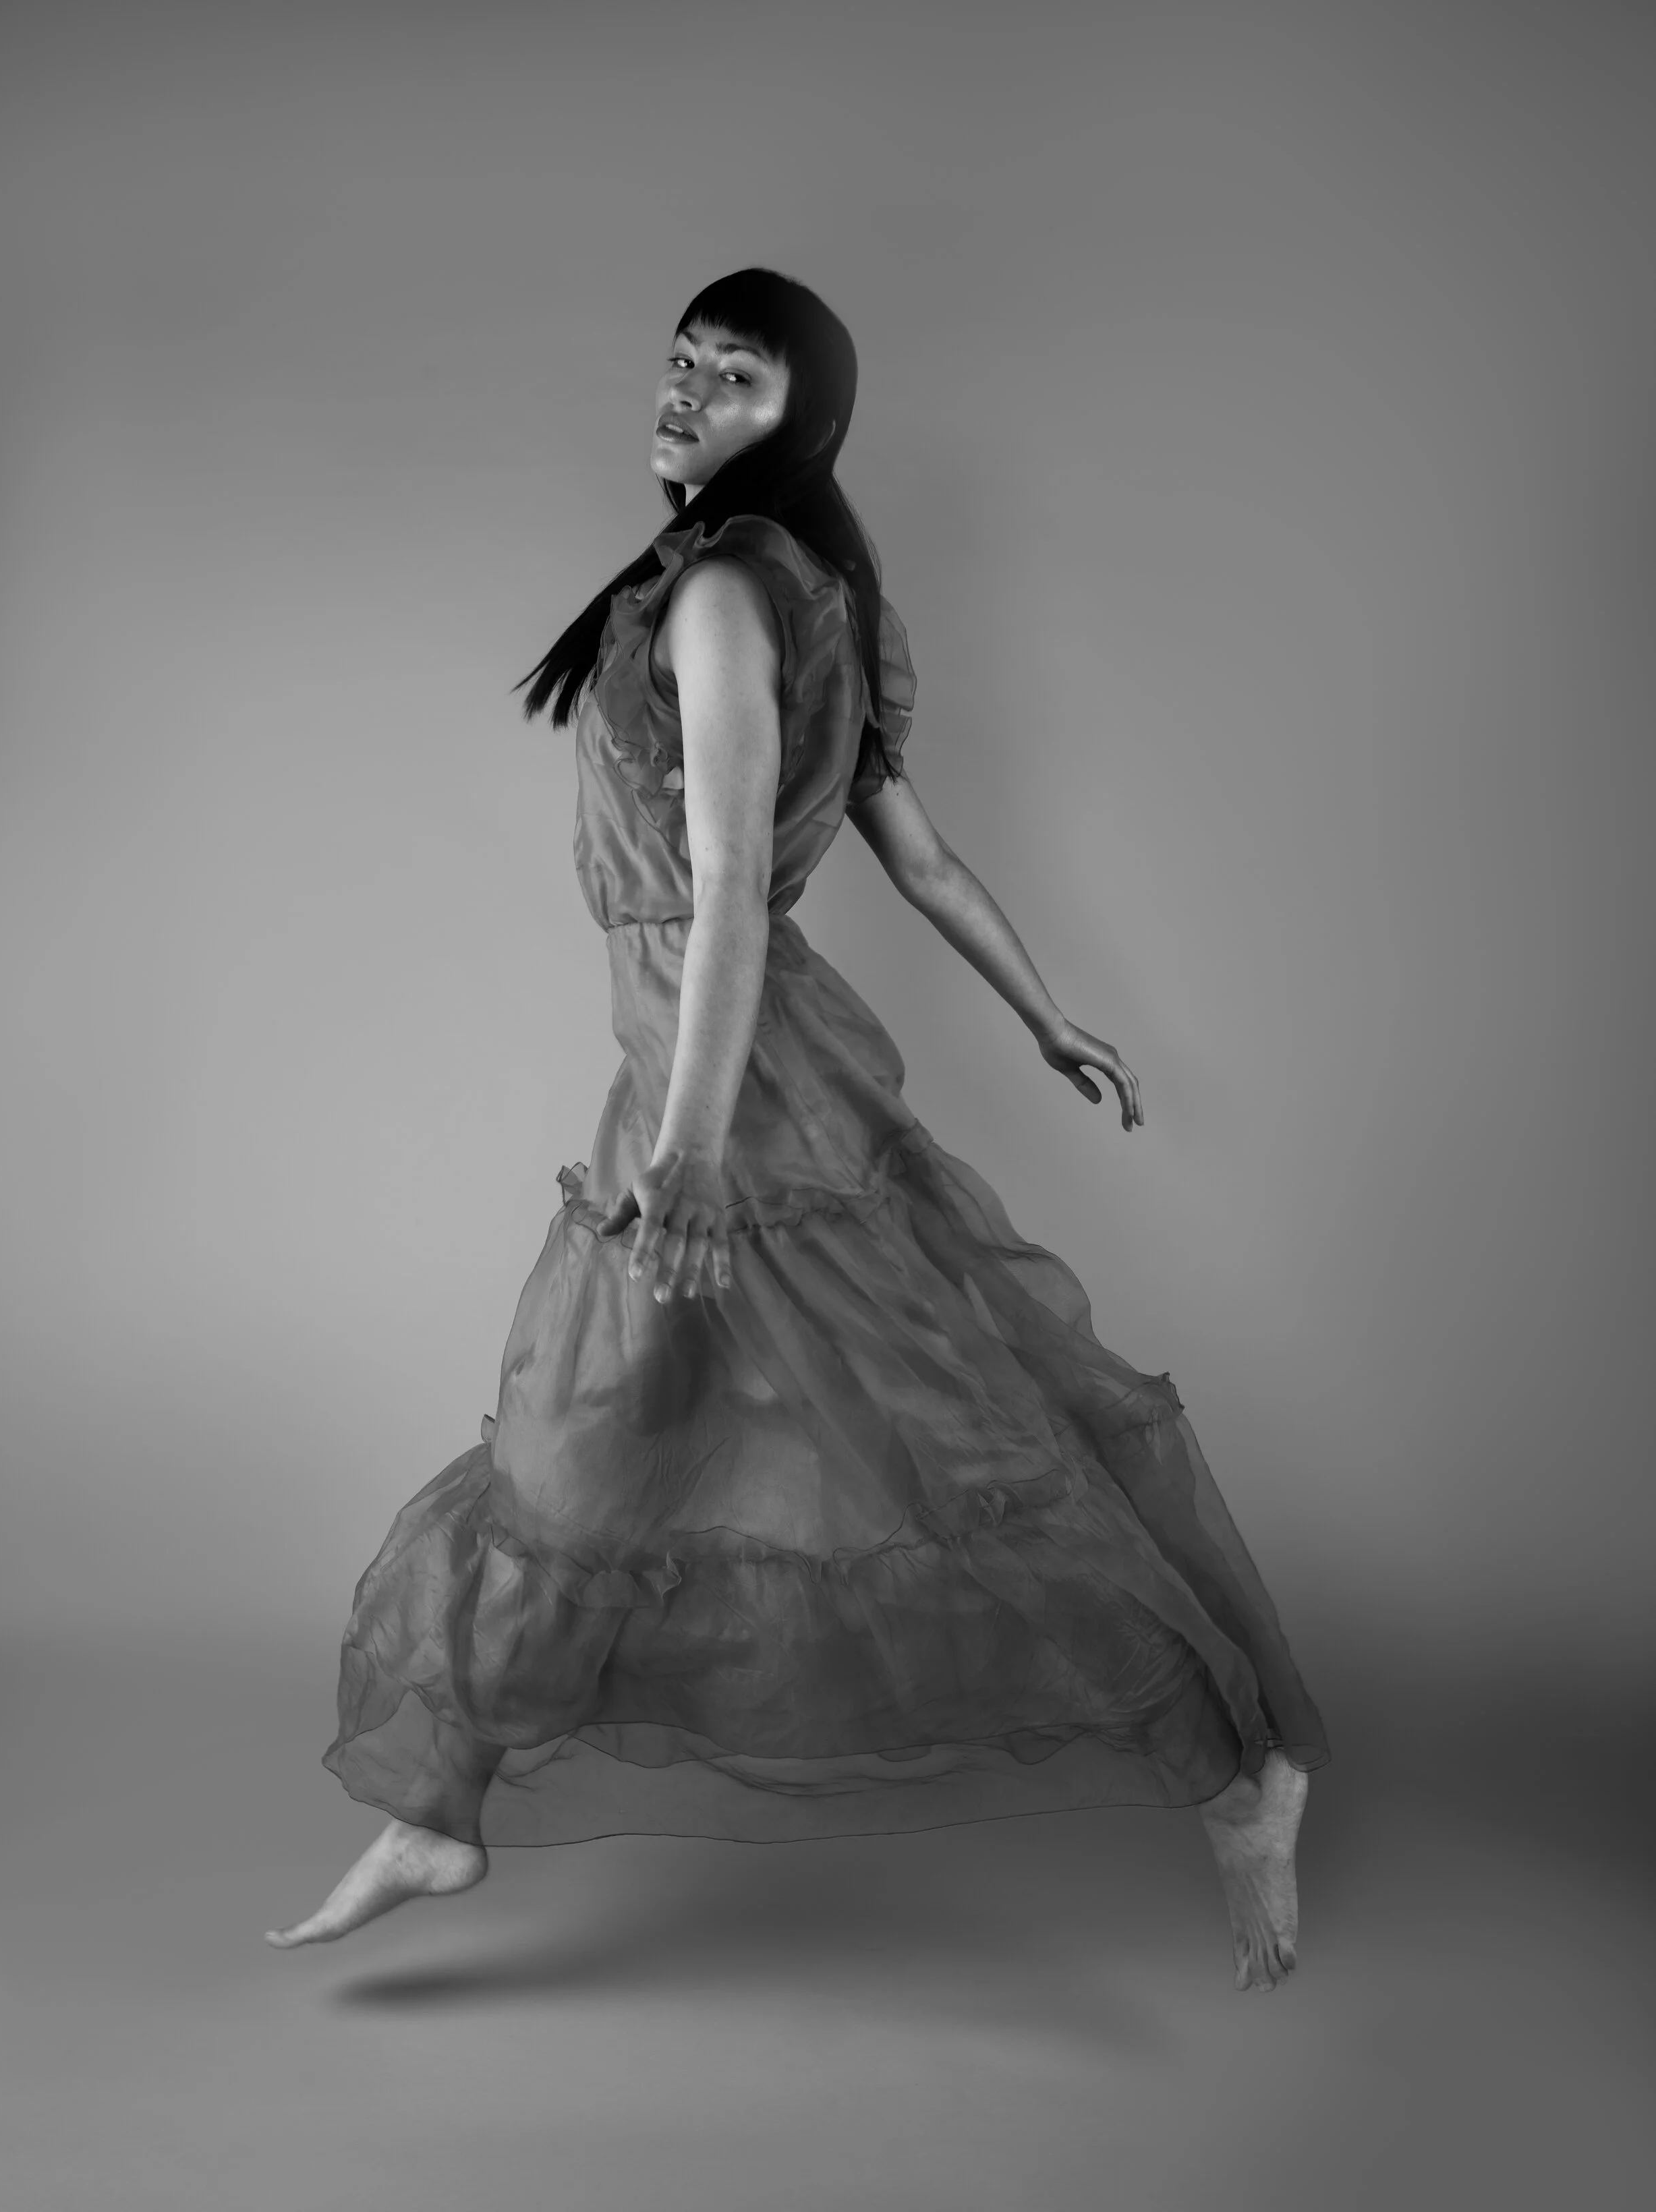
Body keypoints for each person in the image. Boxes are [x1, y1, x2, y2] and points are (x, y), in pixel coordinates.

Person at [266, 268, 1329, 1991]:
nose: (686, 390)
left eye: (735, 374)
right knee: (582, 1437)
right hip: (691, 1072)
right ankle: (442, 1802)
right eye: (680, 359)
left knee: (956, 1455)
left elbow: (727, 894)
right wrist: (1042, 1011)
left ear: (801, 415)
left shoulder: (724, 599)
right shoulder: (785, 584)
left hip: (736, 1085)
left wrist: (693, 1151)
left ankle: (1229, 1775)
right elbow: (918, 856)